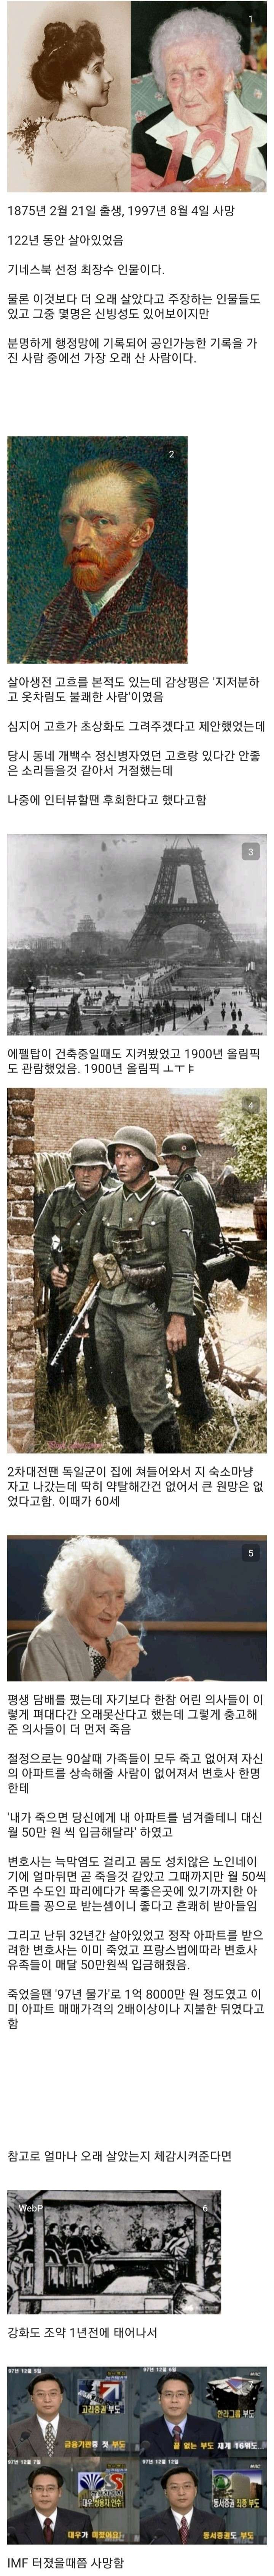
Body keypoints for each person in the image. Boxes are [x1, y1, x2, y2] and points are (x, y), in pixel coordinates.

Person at [67, 1122, 196, 1452]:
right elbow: (88, 1258)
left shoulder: (171, 1204)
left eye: (130, 1155)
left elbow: (184, 1269)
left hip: (146, 1312)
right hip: (108, 1311)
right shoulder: (108, 1203)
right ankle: (132, 1457)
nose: (121, 1163)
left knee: (149, 1397)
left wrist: (178, 1319)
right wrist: (79, 1310)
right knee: (117, 1389)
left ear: (148, 1161)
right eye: (118, 1155)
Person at [24, 458, 187, 665]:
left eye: (102, 522)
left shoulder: (181, 616)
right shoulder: (55, 614)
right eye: (70, 520)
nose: (78, 540)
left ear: (141, 532)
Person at [132, 5, 267, 191]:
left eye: (200, 75)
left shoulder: (267, 129)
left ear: (228, 79)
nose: (187, 94)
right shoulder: (148, 138)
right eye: (175, 79)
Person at [8, 15, 130, 191]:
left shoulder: (23, 145)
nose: (109, 77)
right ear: (71, 85)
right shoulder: (115, 144)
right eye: (97, 70)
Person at [34, 1136, 110, 1403]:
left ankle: (98, 1404)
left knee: (97, 1349)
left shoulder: (112, 1202)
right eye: (80, 1168)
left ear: (104, 1171)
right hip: (63, 1288)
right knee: (59, 1345)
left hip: (97, 1290)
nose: (86, 1174)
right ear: (72, 1171)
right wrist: (49, 1271)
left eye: (93, 1168)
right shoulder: (58, 1199)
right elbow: (41, 1239)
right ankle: (59, 1400)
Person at [19, 1535, 142, 1682]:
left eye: (120, 1596)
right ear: (72, 1598)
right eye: (101, 1596)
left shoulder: (119, 1632)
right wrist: (114, 1672)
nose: (113, 1611)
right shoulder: (45, 1644)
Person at [160, 1131, 221, 1423]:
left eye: (170, 1158)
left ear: (182, 1158)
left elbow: (187, 1238)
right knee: (187, 1340)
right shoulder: (197, 1181)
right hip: (200, 1269)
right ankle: (192, 1404)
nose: (167, 1163)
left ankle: (197, 1412)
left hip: (193, 1273)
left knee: (184, 1343)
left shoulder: (189, 1188)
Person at [8, 2370, 91, 2462]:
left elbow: (89, 2466)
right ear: (32, 2399)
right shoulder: (14, 2432)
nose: (47, 2400)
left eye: (53, 2394)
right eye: (41, 2394)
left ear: (61, 2398)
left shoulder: (82, 2431)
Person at [140, 2370, 224, 2458]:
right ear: (160, 2398)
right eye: (169, 2395)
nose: (174, 2400)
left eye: (180, 2395)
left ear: (190, 2399)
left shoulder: (212, 2431)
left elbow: (221, 2465)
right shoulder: (143, 2433)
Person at [140, 2463, 225, 2542]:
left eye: (187, 2486)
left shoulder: (216, 2524)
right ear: (166, 2493)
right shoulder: (147, 2526)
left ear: (195, 2491)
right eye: (174, 2487)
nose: (181, 2493)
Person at [7, 2464, 93, 2542]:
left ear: (60, 2492)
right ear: (31, 2492)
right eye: (39, 2489)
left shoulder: (81, 2523)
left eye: (51, 2489)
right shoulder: (13, 2526)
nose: (45, 2494)